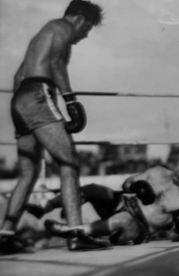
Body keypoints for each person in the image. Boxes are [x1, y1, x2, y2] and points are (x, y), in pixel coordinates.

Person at [0, 0, 109, 254]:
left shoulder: (42, 34)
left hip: (20, 100)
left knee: (29, 173)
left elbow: (18, 76)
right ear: (79, 19)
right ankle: (76, 234)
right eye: (88, 28)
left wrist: (25, 111)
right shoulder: (63, 28)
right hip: (39, 94)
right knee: (69, 162)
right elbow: (56, 64)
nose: (85, 36)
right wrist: (70, 99)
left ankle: (4, 236)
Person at [26, 154, 179, 244]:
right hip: (122, 202)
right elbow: (127, 183)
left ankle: (76, 232)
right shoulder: (159, 171)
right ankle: (45, 206)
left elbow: (176, 236)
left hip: (138, 227)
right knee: (94, 190)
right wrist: (134, 187)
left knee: (124, 219)